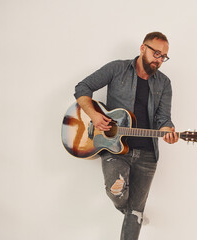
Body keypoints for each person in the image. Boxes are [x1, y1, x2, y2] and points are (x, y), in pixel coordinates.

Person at [74, 31, 178, 240]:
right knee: (116, 192)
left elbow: (163, 118)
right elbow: (82, 88)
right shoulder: (117, 68)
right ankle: (130, 212)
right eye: (156, 53)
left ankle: (134, 214)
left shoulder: (164, 83)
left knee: (136, 212)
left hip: (148, 154)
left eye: (163, 57)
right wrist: (94, 116)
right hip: (114, 148)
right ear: (142, 48)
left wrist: (168, 130)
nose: (159, 60)